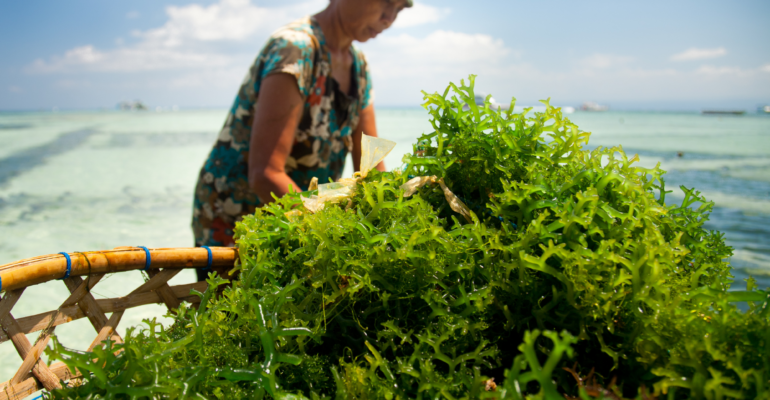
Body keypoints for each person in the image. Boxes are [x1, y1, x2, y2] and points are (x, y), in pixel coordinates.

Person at [192, 0, 412, 281]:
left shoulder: (358, 66)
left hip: (299, 219)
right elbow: (266, 174)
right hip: (237, 217)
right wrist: (331, 237)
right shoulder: (295, 49)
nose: (389, 17)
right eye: (386, 2)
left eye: (401, 8)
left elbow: (372, 169)